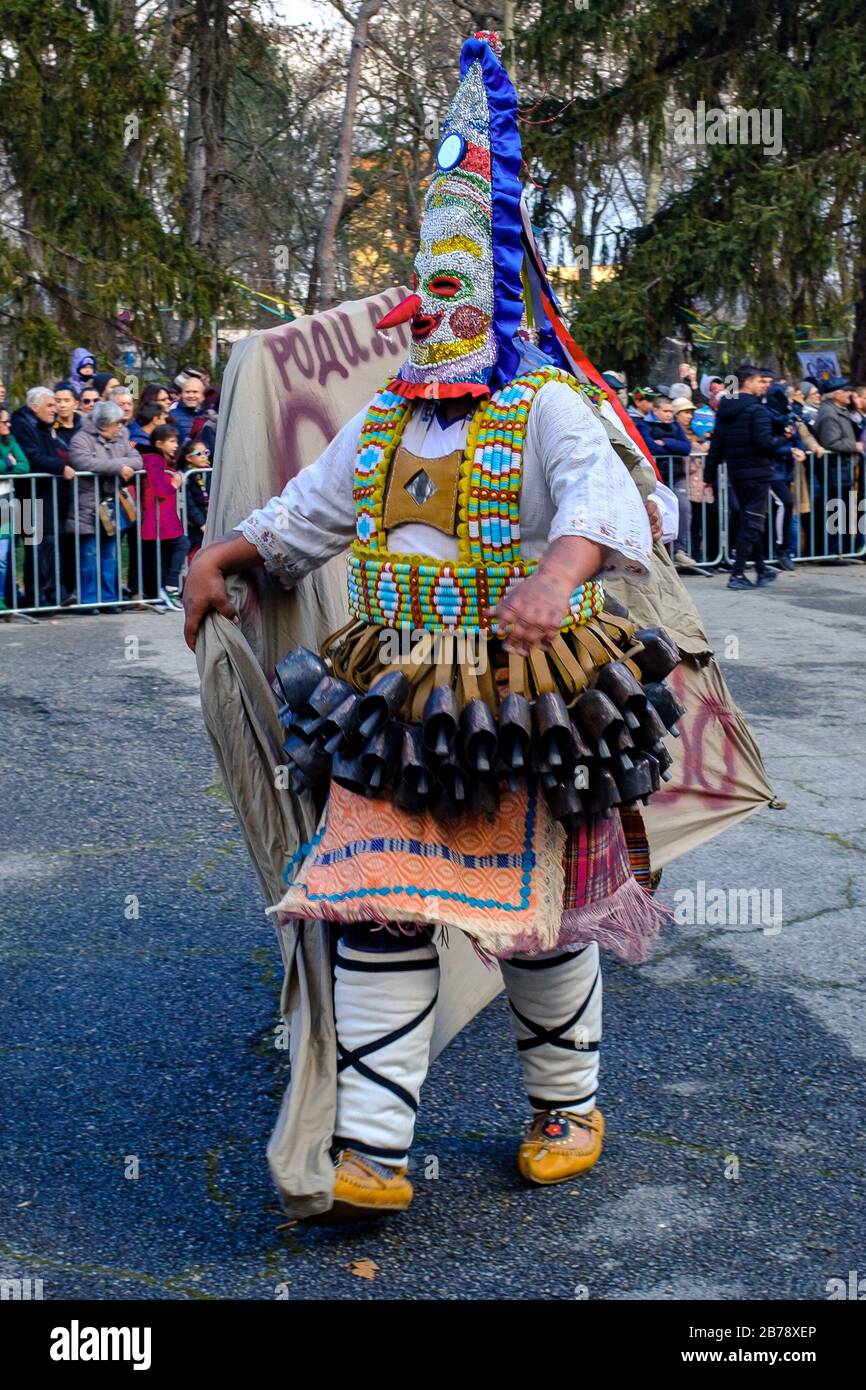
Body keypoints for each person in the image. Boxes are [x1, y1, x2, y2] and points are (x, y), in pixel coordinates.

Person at [183, 31, 680, 1221]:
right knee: (376, 902)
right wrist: (224, 553)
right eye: (427, 290)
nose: (434, 312)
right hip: (396, 697)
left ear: (496, 293)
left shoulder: (545, 403)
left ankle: (565, 1102)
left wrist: (559, 569)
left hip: (522, 697)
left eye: (458, 289)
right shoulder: (389, 417)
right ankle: (369, 1146)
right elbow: (305, 516)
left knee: (534, 918)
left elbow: (625, 501)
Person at [704, 365, 790, 589]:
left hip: (736, 472)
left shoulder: (725, 410)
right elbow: (765, 444)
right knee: (752, 522)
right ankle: (738, 574)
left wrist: (708, 475)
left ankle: (761, 569)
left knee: (750, 519)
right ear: (748, 383)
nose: (764, 386)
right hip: (757, 472)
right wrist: (784, 438)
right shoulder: (756, 410)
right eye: (760, 381)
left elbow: (716, 445)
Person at [68, 399, 139, 607]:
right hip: (87, 506)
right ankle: (89, 601)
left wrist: (117, 465)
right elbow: (83, 462)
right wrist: (118, 467)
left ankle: (110, 600)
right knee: (88, 556)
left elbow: (136, 459)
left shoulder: (121, 436)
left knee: (110, 556)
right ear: (104, 424)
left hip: (112, 508)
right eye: (117, 423)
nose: (120, 427)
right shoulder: (81, 438)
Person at [10, 387, 72, 607]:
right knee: (35, 547)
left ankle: (51, 594)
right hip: (27, 497)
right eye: (50, 405)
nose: (54, 409)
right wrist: (60, 466)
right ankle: (36, 598)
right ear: (34, 406)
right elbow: (32, 457)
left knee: (47, 545)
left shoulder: (44, 426)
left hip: (45, 497)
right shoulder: (21, 424)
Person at [139, 422, 189, 609]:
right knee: (181, 544)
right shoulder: (154, 460)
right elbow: (160, 489)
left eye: (176, 441)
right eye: (171, 441)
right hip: (157, 514)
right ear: (159, 443)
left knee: (165, 553)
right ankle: (170, 587)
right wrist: (176, 483)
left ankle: (161, 592)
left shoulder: (166, 461)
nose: (176, 445)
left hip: (165, 515)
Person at [764, 383, 806, 570]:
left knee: (784, 507)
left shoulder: (788, 416)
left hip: (784, 470)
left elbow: (797, 439)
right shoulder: (765, 415)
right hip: (770, 469)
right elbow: (766, 443)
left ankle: (782, 550)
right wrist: (790, 450)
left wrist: (799, 449)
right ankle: (779, 550)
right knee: (784, 504)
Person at [0, 406, 30, 610]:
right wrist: (8, 463)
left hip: (5, 503)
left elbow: (25, 465)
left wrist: (8, 465)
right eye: (4, 421)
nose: (8, 425)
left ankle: (1, 598)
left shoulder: (10, 441)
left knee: (2, 556)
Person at [175, 436, 210, 558]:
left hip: (207, 518)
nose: (204, 456)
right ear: (189, 457)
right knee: (196, 553)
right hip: (193, 523)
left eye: (206, 452)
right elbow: (188, 502)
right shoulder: (186, 475)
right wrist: (201, 523)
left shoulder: (208, 472)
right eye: (199, 453)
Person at [169, 374, 209, 445]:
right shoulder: (171, 416)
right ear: (181, 394)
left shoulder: (209, 416)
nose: (191, 395)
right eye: (187, 392)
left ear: (203, 396)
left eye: (195, 392)